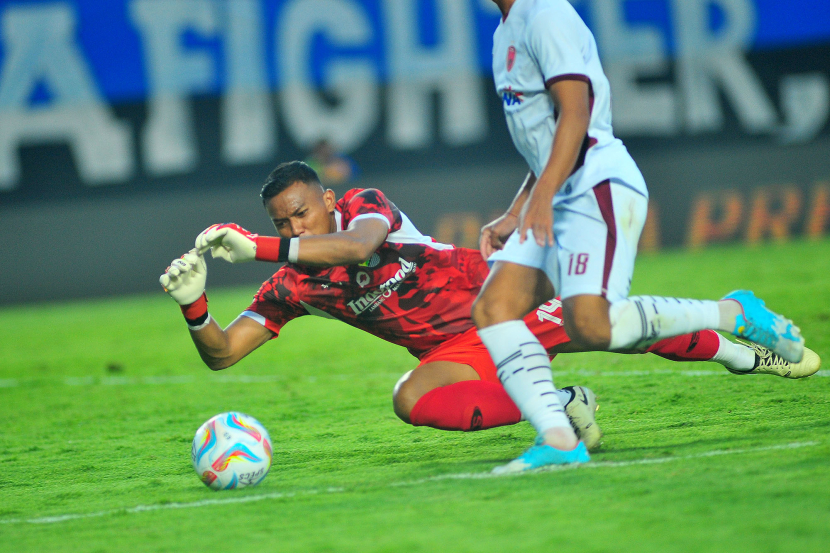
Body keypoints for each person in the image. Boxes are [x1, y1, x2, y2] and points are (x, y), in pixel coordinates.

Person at [159, 162, 820, 452]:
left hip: (505, 297)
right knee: (410, 399)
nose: (296, 228)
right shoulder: (293, 284)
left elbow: (356, 247)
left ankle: (737, 335)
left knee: (619, 330)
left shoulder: (364, 208)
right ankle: (564, 407)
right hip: (455, 352)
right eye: (282, 221)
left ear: (327, 198)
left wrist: (264, 247)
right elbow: (224, 353)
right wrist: (195, 306)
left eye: (301, 213)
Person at [474, 0, 807, 472]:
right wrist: (517, 209)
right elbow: (544, 139)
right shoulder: (505, 31)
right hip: (559, 189)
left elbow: (577, 111)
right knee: (494, 307)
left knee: (592, 325)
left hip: (596, 186)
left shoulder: (546, 13)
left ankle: (734, 313)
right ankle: (558, 439)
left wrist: (542, 196)